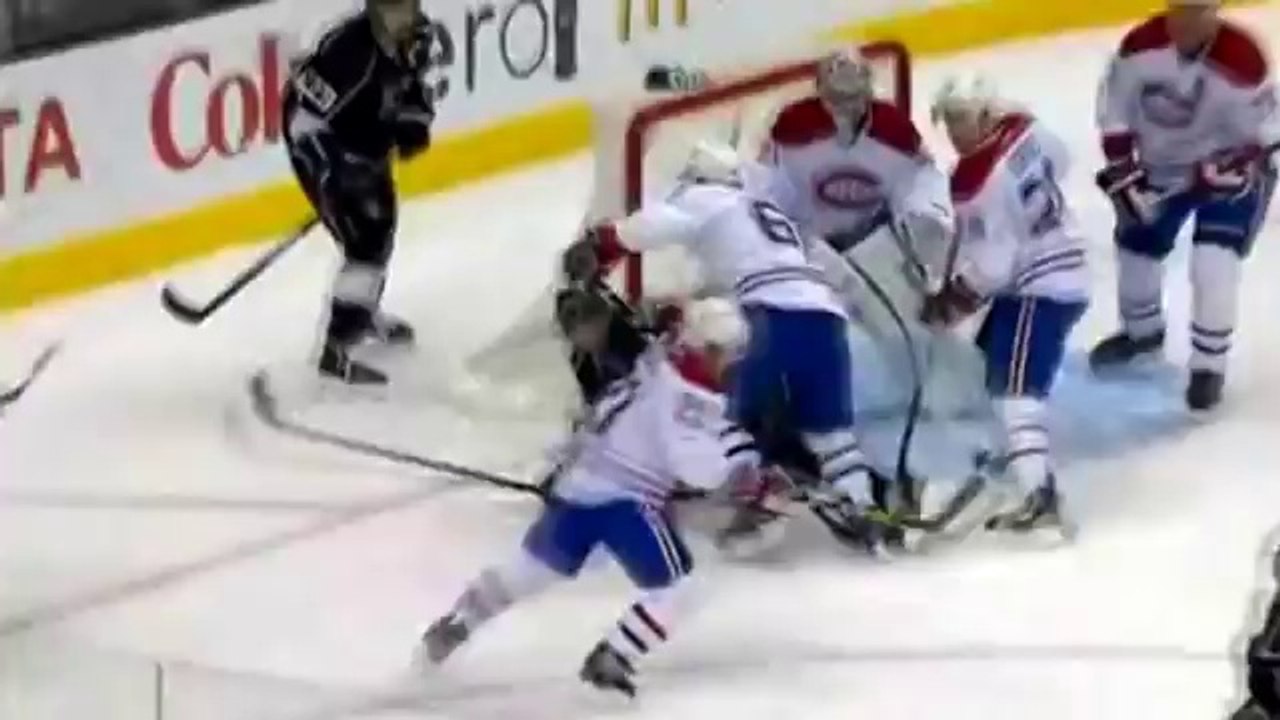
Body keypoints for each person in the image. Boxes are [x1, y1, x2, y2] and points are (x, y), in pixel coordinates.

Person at [417, 298, 785, 697]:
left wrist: (565, 459)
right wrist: (742, 473)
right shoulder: (690, 396)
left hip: (577, 485)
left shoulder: (658, 362)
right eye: (729, 355)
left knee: (532, 572)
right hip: (624, 500)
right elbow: (696, 468)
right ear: (711, 350)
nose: (732, 365)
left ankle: (459, 622)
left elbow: (613, 412)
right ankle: (615, 654)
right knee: (681, 587)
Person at [562, 140, 899, 555]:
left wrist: (603, 243)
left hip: (767, 314)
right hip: (826, 316)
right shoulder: (771, 213)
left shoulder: (706, 198)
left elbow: (655, 224)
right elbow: (831, 269)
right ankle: (863, 508)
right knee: (830, 432)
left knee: (728, 408)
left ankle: (762, 496)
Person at [1090, 0, 1278, 410]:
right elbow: (1115, 115)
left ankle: (1208, 366)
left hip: (1227, 174)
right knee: (1136, 246)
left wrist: (1236, 164)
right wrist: (1126, 176)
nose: (1185, 22)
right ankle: (1143, 334)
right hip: (1161, 168)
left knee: (1213, 259)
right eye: (1178, 10)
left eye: (1197, 11)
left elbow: (1267, 137)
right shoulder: (1139, 49)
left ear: (1216, 12)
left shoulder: (1243, 60)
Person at [923, 74, 1089, 533]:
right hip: (1060, 267)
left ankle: (1041, 497)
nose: (955, 131)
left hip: (1040, 284)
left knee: (1014, 390)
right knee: (987, 362)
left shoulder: (977, 182)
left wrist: (952, 300)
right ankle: (1011, 453)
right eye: (948, 120)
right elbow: (1063, 155)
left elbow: (994, 265)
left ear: (984, 114)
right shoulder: (1027, 131)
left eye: (961, 119)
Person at [281, 0, 439, 384]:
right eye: (392, 10)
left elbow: (413, 88)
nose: (403, 18)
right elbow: (306, 108)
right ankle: (336, 349)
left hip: (365, 143)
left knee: (380, 229)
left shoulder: (417, 36)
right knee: (364, 240)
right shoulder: (348, 48)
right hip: (319, 142)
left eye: (408, 7)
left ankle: (361, 311)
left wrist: (413, 123)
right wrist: (333, 170)